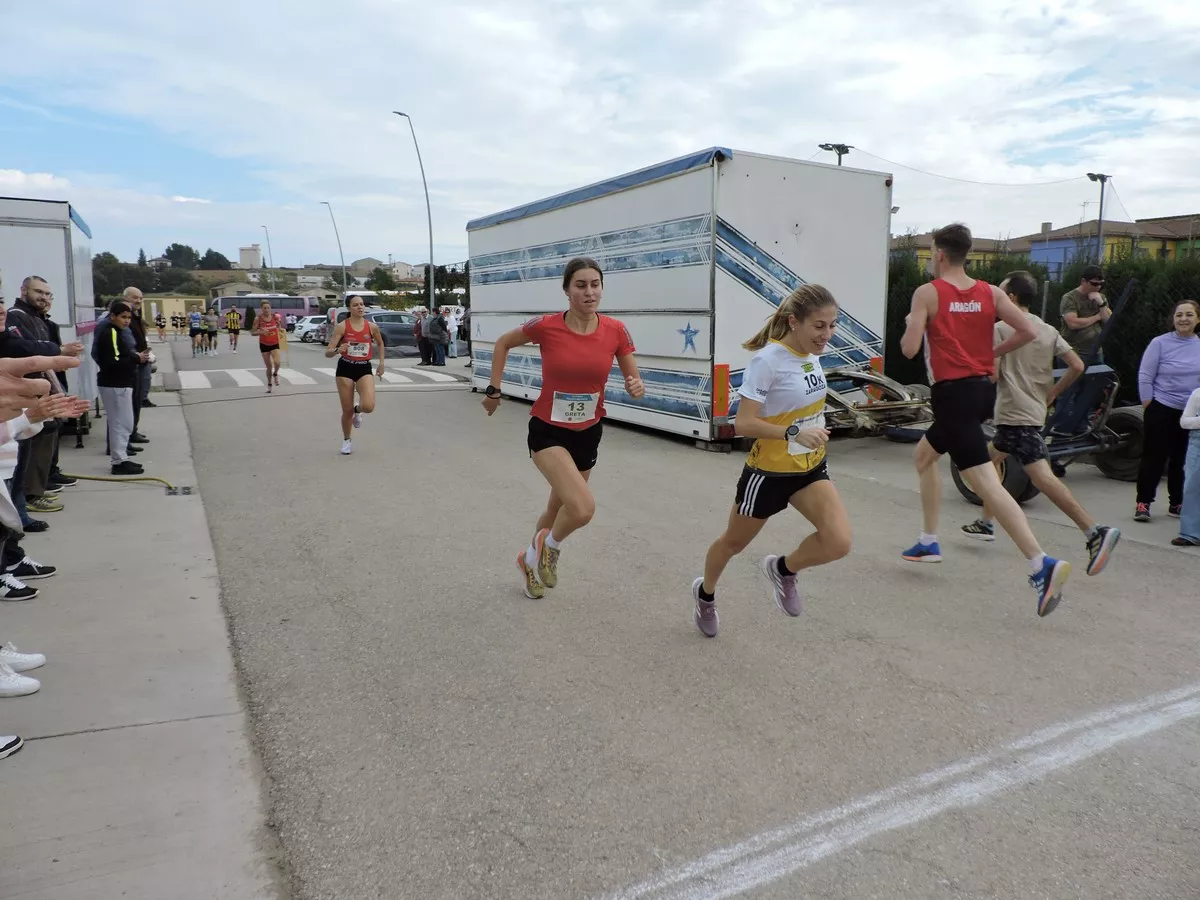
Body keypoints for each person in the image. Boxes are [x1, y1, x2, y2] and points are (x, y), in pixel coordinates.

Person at [899, 223, 1071, 617]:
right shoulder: (990, 292)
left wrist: (915, 322)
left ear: (940, 254)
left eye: (929, 253)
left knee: (987, 484)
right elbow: (1027, 330)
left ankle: (1041, 564)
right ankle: (928, 541)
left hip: (953, 395)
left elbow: (909, 350)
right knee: (924, 456)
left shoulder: (927, 293)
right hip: (980, 393)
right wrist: (991, 352)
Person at [691, 285, 851, 637]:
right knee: (732, 544)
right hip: (769, 473)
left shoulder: (813, 354)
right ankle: (705, 595)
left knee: (838, 541)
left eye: (832, 325)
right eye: (819, 326)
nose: (827, 334)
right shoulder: (767, 361)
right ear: (795, 322)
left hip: (810, 468)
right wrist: (794, 433)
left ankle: (783, 569)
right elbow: (743, 423)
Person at [482, 257, 644, 599]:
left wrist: (635, 385)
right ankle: (550, 546)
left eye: (595, 285)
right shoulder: (546, 326)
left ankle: (529, 562)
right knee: (583, 509)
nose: (589, 292)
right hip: (548, 431)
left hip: (588, 431)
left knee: (558, 509)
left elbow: (632, 373)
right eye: (581, 285)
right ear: (567, 290)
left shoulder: (615, 330)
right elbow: (502, 344)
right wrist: (494, 390)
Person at [960, 271, 1121, 576]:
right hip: (1030, 412)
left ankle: (1094, 531)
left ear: (1010, 298)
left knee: (1043, 478)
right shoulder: (1047, 329)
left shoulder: (999, 329)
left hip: (1015, 414)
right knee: (987, 459)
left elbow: (992, 374)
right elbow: (1077, 364)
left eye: (999, 293)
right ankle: (986, 521)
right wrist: (1052, 394)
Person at [1135, 299, 1200, 522]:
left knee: (1181, 460)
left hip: (1189, 414)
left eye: (1189, 315)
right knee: (1154, 457)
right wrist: (1148, 403)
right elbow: (1145, 375)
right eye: (1179, 314)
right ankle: (1143, 502)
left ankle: (1177, 503)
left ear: (1197, 319)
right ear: (1173, 319)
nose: (1183, 319)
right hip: (1161, 407)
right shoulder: (1159, 343)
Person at [324, 295, 384, 455]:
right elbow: (328, 352)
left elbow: (380, 343)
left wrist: (382, 363)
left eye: (362, 304)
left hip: (364, 367)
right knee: (346, 410)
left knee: (369, 406)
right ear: (349, 308)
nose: (360, 307)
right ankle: (346, 440)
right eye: (356, 305)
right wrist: (338, 350)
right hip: (345, 368)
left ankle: (359, 410)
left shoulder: (371, 326)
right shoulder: (342, 327)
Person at [93, 300, 146, 475]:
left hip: (121, 382)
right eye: (123, 317)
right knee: (119, 423)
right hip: (115, 383)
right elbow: (113, 360)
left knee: (125, 422)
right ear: (112, 316)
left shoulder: (116, 332)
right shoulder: (111, 333)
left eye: (129, 318)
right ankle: (118, 460)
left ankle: (122, 456)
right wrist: (136, 358)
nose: (126, 321)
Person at [1059, 265, 1111, 361]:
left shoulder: (1100, 297)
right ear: (1083, 281)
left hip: (1096, 350)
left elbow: (1108, 321)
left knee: (1098, 375)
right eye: (1094, 284)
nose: (1098, 287)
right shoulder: (1070, 298)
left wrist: (1101, 303)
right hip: (1073, 351)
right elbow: (1073, 323)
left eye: (1101, 284)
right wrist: (1097, 317)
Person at [1172, 385, 1200, 546]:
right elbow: (1184, 421)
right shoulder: (1197, 393)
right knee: (1191, 486)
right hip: (1197, 443)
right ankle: (1190, 533)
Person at [251, 300, 282, 392]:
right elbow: (252, 332)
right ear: (261, 309)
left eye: (268, 308)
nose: (267, 310)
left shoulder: (274, 317)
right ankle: (269, 384)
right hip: (264, 344)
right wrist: (260, 332)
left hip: (274, 343)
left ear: (270, 308)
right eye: (264, 308)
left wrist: (280, 329)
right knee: (269, 366)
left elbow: (279, 325)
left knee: (277, 362)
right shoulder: (258, 319)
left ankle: (275, 374)